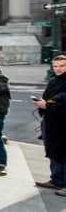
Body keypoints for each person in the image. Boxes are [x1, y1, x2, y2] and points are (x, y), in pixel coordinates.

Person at [33, 55, 66, 196]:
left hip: (62, 123)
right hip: (50, 121)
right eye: (55, 66)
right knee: (52, 151)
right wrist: (42, 104)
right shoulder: (53, 81)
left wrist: (47, 105)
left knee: (63, 153)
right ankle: (55, 180)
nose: (58, 69)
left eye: (62, 66)